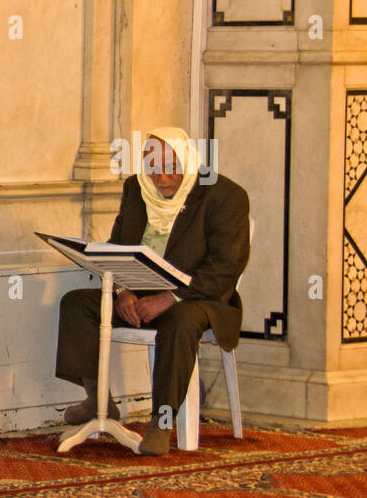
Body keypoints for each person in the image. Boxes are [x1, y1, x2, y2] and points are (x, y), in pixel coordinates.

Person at [55, 126, 251, 455]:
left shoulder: (224, 196)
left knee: (181, 321)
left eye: (172, 169)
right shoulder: (136, 189)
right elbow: (117, 247)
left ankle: (161, 422)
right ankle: (98, 399)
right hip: (141, 292)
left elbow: (225, 268)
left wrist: (169, 298)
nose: (162, 180)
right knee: (77, 304)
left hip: (199, 298)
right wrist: (121, 291)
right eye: (154, 169)